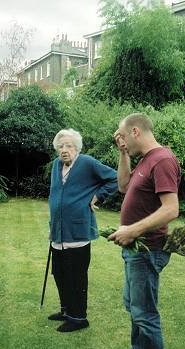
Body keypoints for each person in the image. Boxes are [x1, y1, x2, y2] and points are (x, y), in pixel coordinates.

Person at [108, 113, 181, 349]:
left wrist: (133, 231)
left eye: (123, 137)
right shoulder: (144, 160)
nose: (121, 140)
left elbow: (171, 209)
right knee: (133, 306)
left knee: (144, 312)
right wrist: (122, 153)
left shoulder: (162, 160)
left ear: (135, 131)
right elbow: (123, 186)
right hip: (135, 250)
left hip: (148, 249)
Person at [48, 128, 118, 333]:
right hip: (58, 231)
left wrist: (98, 197)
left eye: (68, 146)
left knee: (75, 276)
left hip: (77, 232)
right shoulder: (56, 166)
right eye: (60, 146)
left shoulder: (87, 163)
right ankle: (66, 311)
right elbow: (56, 196)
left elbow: (114, 178)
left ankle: (78, 318)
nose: (64, 150)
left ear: (77, 148)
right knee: (59, 273)